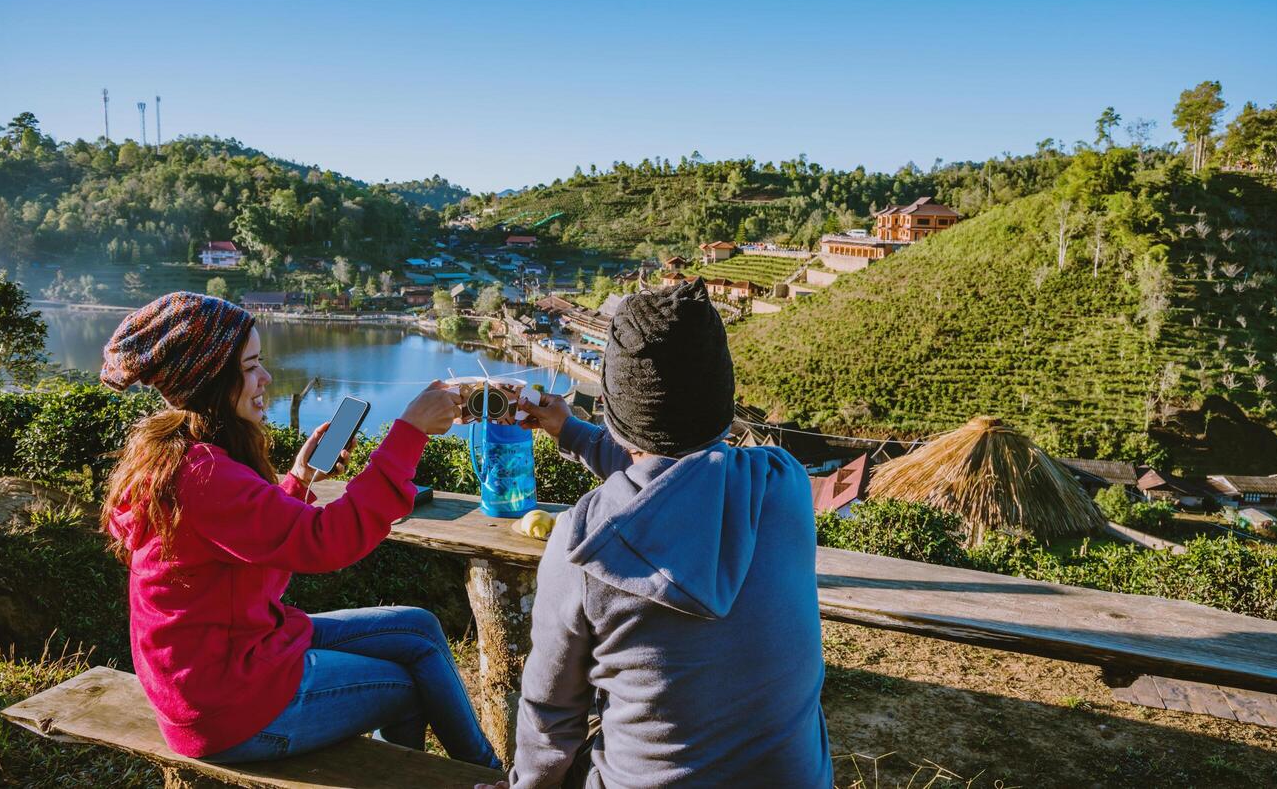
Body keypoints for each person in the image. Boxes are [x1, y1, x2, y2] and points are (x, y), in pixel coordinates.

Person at [99, 291, 502, 769]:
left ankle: (486, 773)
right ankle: (487, 778)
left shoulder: (184, 457)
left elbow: (260, 541)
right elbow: (325, 542)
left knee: (417, 627)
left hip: (231, 664)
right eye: (250, 367)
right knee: (409, 685)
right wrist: (409, 433)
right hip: (229, 706)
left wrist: (301, 478)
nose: (265, 377)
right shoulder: (204, 476)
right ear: (210, 380)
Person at [486, 278, 831, 788]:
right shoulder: (781, 484)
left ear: (612, 407)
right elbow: (679, 476)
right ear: (723, 401)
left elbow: (550, 716)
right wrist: (570, 430)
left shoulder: (581, 544)